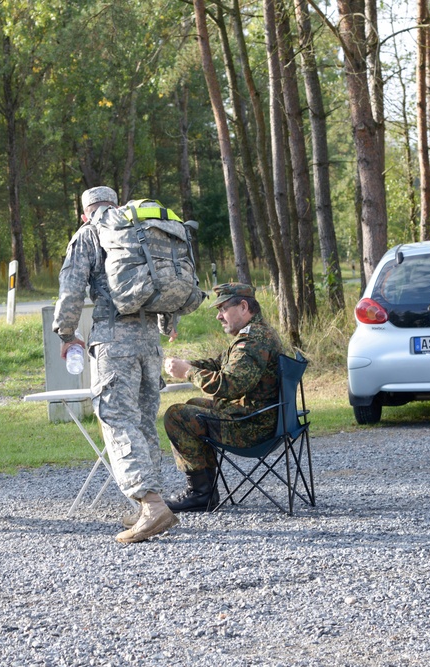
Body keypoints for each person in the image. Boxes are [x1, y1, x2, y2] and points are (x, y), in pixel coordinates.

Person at [52, 186, 179, 544]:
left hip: (113, 340)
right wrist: (167, 324)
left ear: (84, 212)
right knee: (142, 422)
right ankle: (149, 505)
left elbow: (72, 287)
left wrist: (66, 334)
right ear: (116, 204)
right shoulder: (137, 231)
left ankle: (152, 506)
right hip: (149, 341)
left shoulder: (88, 233)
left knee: (117, 420)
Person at [162, 282, 285, 512]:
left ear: (243, 306)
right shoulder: (253, 334)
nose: (219, 316)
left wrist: (188, 373)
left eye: (223, 309)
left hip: (254, 428)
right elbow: (219, 365)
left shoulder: (252, 342)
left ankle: (200, 494)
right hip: (260, 418)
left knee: (176, 415)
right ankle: (205, 491)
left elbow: (229, 385)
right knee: (193, 406)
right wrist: (189, 364)